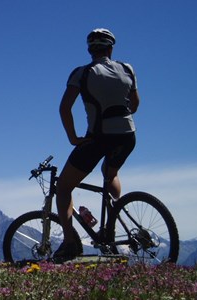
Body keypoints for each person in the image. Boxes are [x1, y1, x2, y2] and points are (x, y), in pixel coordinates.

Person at [53, 28, 140, 261]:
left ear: (90, 49)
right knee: (109, 174)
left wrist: (73, 138)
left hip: (98, 138)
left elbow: (64, 108)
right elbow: (135, 104)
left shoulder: (82, 73)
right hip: (127, 135)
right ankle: (110, 228)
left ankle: (70, 242)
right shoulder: (127, 69)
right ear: (111, 48)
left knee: (63, 187)